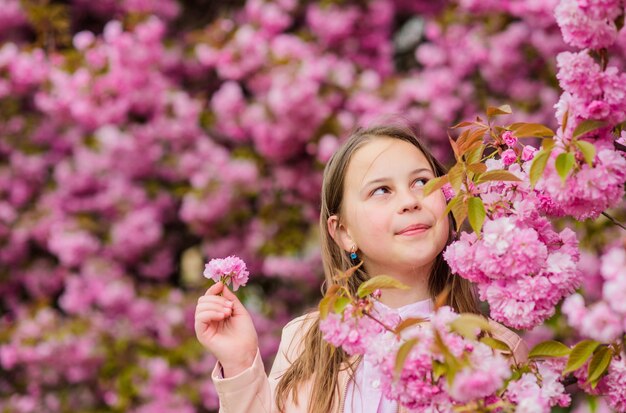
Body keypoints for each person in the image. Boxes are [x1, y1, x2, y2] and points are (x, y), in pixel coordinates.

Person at [194, 124, 529, 413]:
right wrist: (239, 362)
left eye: (422, 182)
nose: (411, 200)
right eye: (382, 190)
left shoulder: (496, 347)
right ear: (344, 233)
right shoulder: (306, 340)